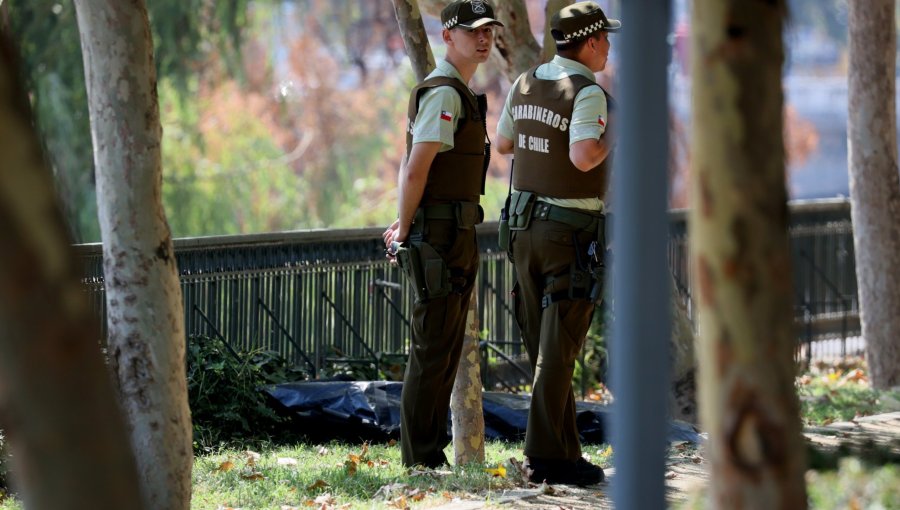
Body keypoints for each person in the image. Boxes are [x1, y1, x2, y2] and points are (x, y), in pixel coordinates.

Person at [495, 1, 619, 486]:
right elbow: (585, 156)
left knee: (548, 348)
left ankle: (566, 454)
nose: (609, 46)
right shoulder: (588, 93)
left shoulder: (525, 82)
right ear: (589, 42)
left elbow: (504, 145)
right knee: (560, 347)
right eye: (605, 38)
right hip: (568, 233)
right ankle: (544, 458)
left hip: (522, 230)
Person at [382, 0, 502, 469]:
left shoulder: (459, 92)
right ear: (447, 35)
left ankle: (429, 458)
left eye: (489, 29)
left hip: (455, 230)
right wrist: (407, 228)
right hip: (438, 235)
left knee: (446, 347)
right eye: (473, 30)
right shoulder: (446, 93)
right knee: (433, 349)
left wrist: (405, 221)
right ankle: (420, 462)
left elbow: (412, 166)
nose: (484, 37)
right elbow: (416, 169)